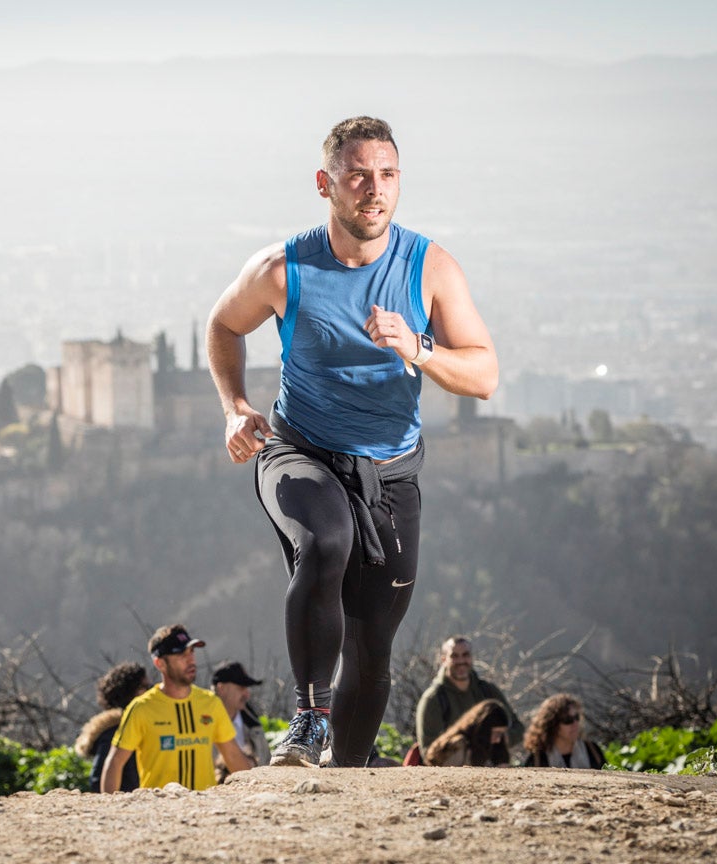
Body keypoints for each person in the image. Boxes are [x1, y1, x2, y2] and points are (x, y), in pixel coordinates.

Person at [206, 116, 497, 768]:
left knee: (372, 646)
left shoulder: (430, 267)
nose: (375, 190)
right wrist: (234, 409)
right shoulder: (283, 269)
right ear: (325, 184)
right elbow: (223, 326)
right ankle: (309, 721)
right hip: (297, 452)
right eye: (359, 175)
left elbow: (483, 373)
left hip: (390, 476)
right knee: (325, 539)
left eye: (388, 175)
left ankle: (348, 779)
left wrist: (418, 347)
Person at [100, 624, 251, 792]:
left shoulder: (211, 703)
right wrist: (110, 806)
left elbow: (233, 755)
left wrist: (255, 796)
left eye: (191, 652)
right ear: (160, 663)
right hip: (158, 810)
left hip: (205, 810)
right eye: (181, 654)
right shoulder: (141, 708)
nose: (191, 660)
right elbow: (115, 762)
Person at [415, 635, 524, 753]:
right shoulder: (433, 699)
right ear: (444, 660)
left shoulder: (488, 691)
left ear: (472, 657)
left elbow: (518, 728)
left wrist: (502, 738)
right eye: (454, 656)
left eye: (465, 655)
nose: (461, 661)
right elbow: (428, 750)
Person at [74, 661, 151, 792]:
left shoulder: (139, 725)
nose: (150, 691)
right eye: (144, 686)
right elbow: (98, 781)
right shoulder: (113, 733)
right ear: (129, 693)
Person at [211, 660, 271, 780]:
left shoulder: (254, 725)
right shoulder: (201, 723)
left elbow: (266, 765)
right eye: (241, 687)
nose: (247, 694)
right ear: (221, 688)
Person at [521, 693, 605, 769]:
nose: (575, 723)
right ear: (552, 724)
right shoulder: (538, 758)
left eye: (577, 717)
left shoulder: (593, 751)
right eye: (567, 720)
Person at [423, 698, 511, 767]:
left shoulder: (490, 746)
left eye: (501, 734)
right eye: (496, 733)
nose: (498, 739)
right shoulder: (458, 744)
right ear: (484, 729)